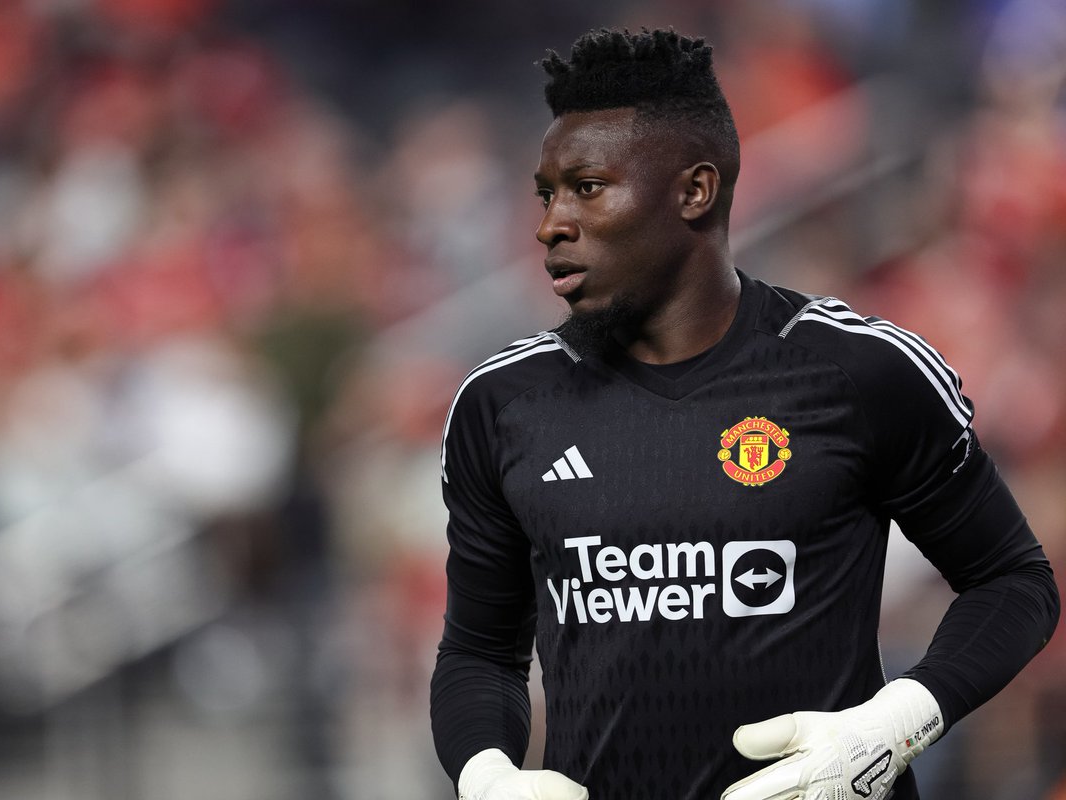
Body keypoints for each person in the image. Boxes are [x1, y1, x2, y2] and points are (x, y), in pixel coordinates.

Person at [429, 27, 1060, 800]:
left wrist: (893, 726)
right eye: (546, 194)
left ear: (695, 192)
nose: (550, 224)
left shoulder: (860, 371)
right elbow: (479, 653)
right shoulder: (503, 403)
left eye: (587, 188)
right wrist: (487, 775)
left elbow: (1014, 581)